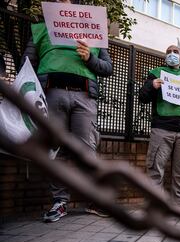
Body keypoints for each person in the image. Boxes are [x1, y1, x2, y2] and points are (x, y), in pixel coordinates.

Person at [22, 0, 113, 222]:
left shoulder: (94, 34)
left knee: (87, 150)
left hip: (84, 97)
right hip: (51, 95)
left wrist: (90, 58)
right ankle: (59, 201)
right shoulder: (41, 29)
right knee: (56, 150)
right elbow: (26, 63)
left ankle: (94, 200)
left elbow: (107, 68)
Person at [138, 45, 180, 209]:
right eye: (169, 52)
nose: (172, 54)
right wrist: (152, 86)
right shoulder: (157, 73)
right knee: (156, 167)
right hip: (162, 128)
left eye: (175, 52)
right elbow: (142, 96)